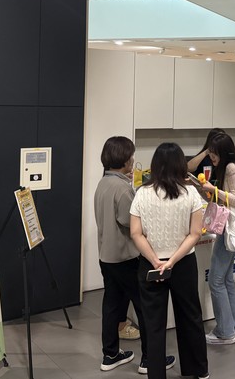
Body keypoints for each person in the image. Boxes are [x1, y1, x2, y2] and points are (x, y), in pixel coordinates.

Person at [94, 136, 174, 373]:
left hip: (106, 256)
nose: (132, 160)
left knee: (111, 305)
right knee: (144, 307)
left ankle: (110, 354)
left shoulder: (103, 182)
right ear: (124, 160)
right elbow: (131, 223)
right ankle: (150, 359)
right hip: (125, 258)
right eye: (131, 156)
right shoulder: (122, 188)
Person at [129, 143, 207, 379]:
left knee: (153, 323)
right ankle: (197, 370)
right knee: (190, 316)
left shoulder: (142, 193)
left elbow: (135, 233)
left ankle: (156, 373)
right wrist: (172, 261)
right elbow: (195, 233)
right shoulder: (190, 194)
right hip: (183, 264)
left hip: (150, 266)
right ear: (181, 165)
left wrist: (156, 260)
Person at [200, 133, 235, 345]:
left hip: (229, 229)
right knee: (226, 279)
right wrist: (211, 192)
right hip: (228, 228)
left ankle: (225, 331)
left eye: (214, 152)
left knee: (216, 280)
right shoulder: (229, 167)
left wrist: (214, 190)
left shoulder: (231, 168)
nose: (211, 156)